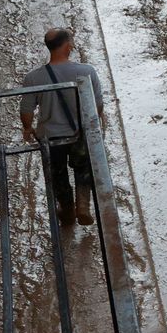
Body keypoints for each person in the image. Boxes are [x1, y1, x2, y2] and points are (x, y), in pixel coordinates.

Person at [19, 29, 105, 228]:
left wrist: (27, 128)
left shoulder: (34, 77)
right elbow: (97, 104)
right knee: (83, 168)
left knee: (58, 174)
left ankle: (66, 210)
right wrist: (93, 124)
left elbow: (26, 109)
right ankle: (83, 205)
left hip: (50, 137)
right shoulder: (87, 71)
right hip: (78, 133)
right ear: (68, 46)